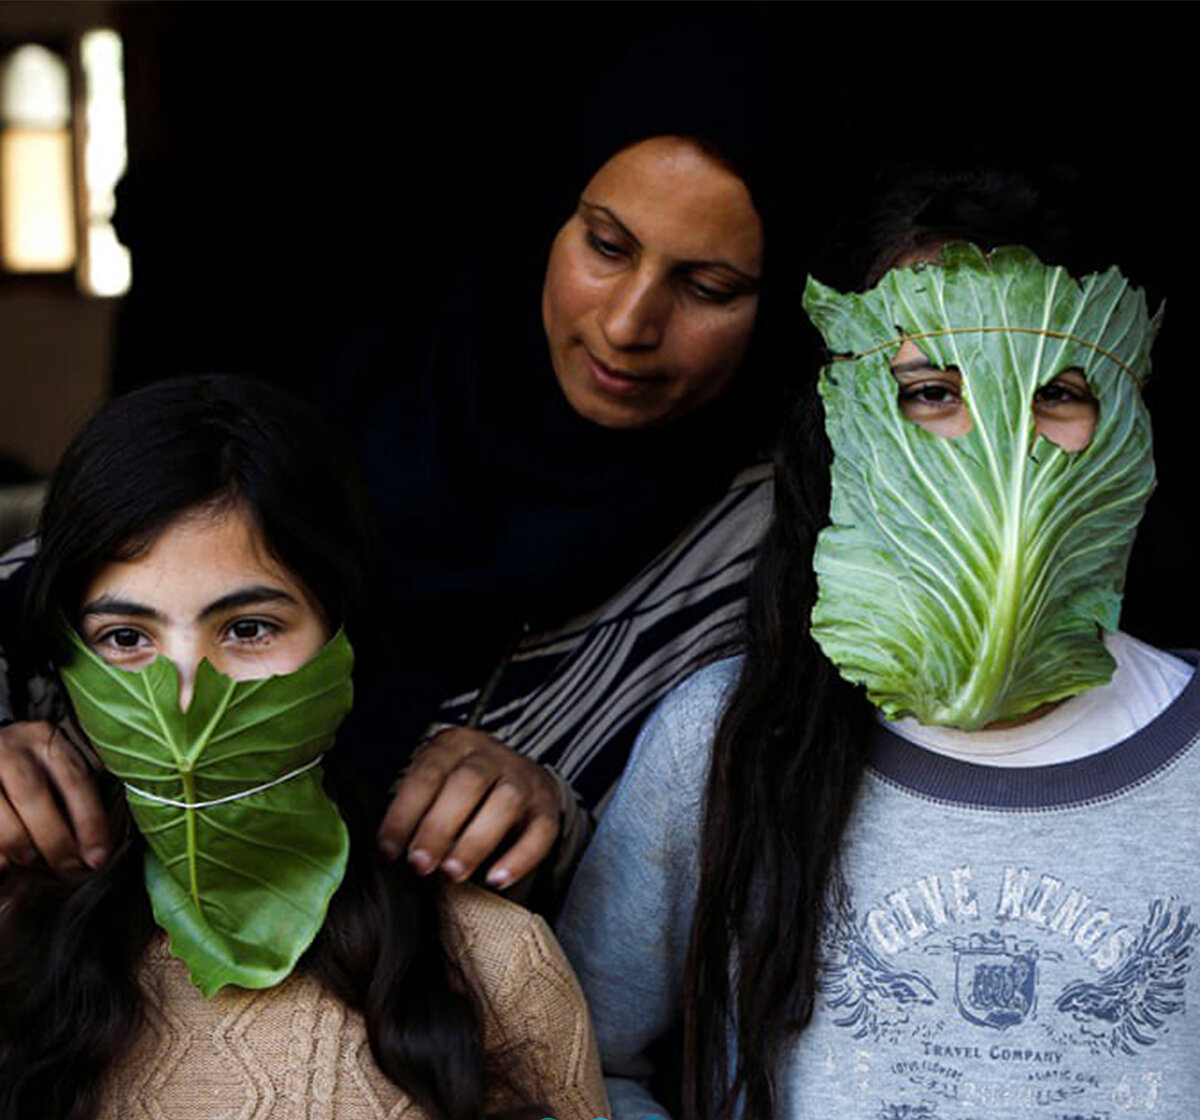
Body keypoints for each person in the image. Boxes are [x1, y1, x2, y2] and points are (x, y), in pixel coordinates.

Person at [557, 168, 1200, 1120]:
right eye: (932, 393)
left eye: (1059, 393)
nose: (997, 443)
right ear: (840, 424)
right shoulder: (721, 744)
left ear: (1125, 431)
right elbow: (569, 1076)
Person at [0, 110, 821, 902]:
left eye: (709, 287)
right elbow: (59, 585)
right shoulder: (335, 405)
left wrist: (567, 832)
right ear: (548, 219)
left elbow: (715, 882)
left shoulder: (768, 546)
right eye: (607, 247)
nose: (629, 322)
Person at [0, 376, 617, 1120]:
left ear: (342, 641)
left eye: (248, 628)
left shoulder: (494, 968)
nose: (188, 697)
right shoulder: (11, 941)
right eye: (125, 636)